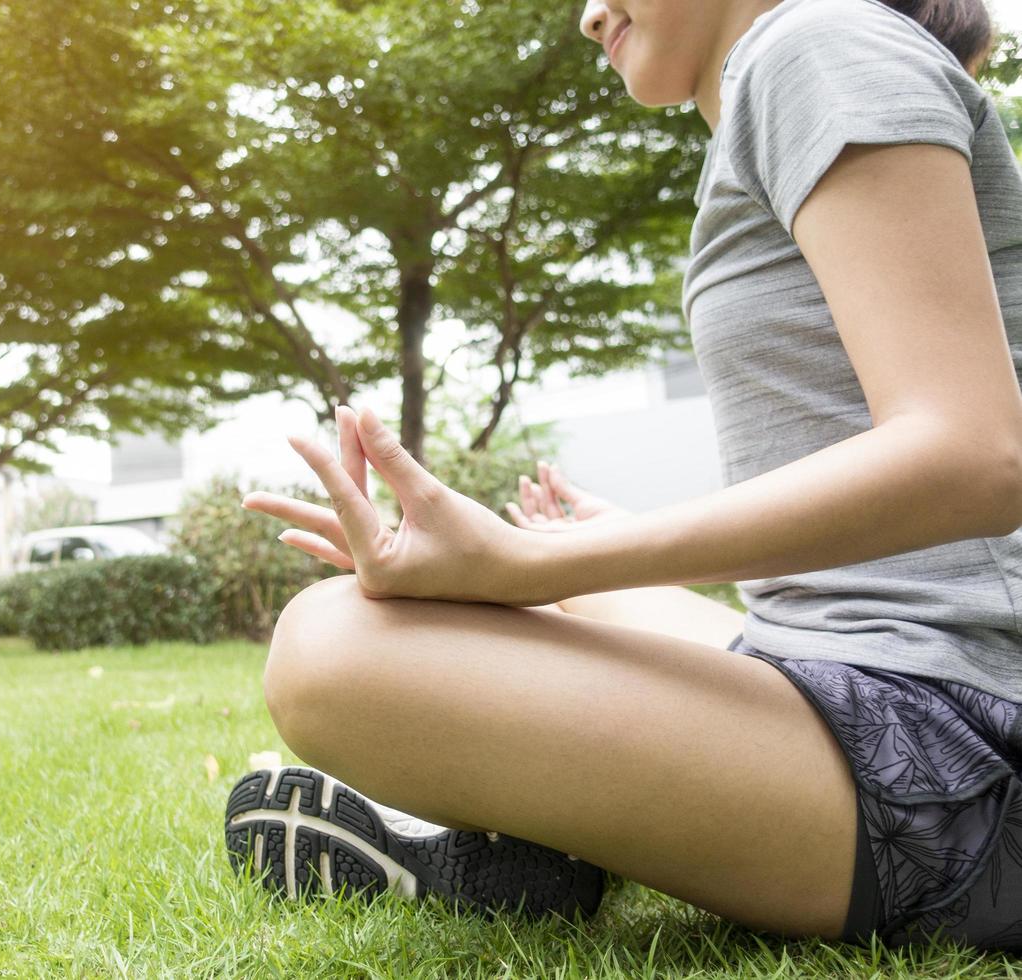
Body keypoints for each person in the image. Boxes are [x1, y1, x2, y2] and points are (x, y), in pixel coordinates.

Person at [225, 0, 1022, 953]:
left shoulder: (816, 46)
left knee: (331, 648)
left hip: (968, 743)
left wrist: (534, 565)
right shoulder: (781, 81)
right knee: (578, 601)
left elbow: (975, 454)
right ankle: (550, 824)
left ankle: (522, 834)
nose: (588, 15)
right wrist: (590, 555)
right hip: (861, 669)